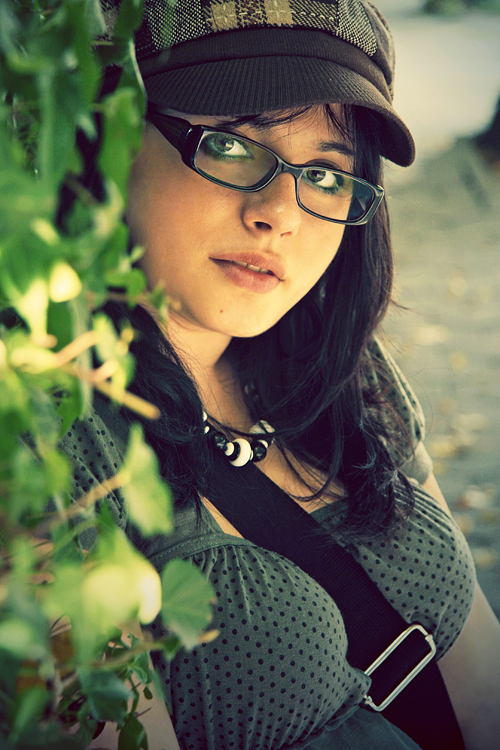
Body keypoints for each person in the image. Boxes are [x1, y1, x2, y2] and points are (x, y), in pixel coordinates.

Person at [62, 1, 500, 748]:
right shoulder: (52, 444)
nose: (281, 214)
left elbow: (478, 675)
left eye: (325, 173)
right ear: (113, 137)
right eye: (232, 144)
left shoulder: (343, 370)